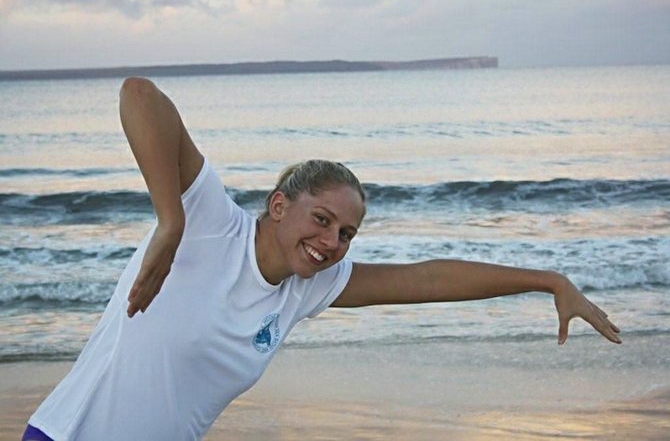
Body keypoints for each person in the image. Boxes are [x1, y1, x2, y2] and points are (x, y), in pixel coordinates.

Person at [23, 77, 621, 441]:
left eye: (347, 233)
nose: (333, 241)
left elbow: (428, 279)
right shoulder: (212, 224)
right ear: (279, 206)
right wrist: (171, 220)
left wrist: (548, 280)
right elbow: (139, 95)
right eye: (323, 220)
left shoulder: (307, 288)